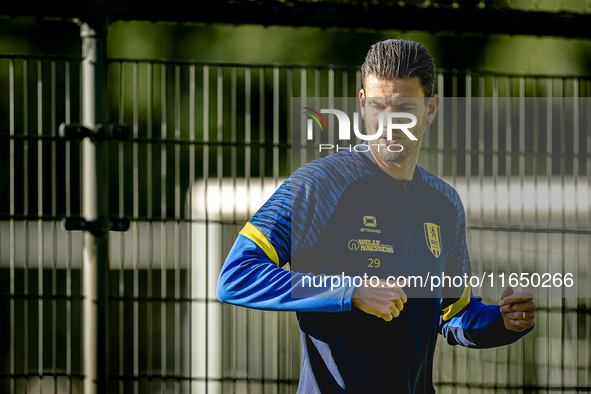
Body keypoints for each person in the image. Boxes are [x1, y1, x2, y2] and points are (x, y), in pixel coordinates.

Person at [216, 39, 536, 393]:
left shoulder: (444, 204)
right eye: (379, 107)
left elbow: (452, 313)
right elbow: (237, 275)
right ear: (363, 105)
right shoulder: (320, 184)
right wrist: (350, 291)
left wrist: (504, 322)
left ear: (431, 109)